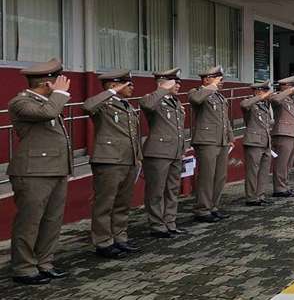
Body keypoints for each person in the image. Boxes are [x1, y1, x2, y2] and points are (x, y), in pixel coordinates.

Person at [8, 59, 73, 285]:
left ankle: (45, 263)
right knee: (30, 222)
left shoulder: (48, 102)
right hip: (32, 172)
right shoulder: (20, 102)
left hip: (55, 169)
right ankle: (24, 268)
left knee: (52, 220)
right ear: (47, 83)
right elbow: (47, 114)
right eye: (59, 82)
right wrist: (60, 94)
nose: (65, 86)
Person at [83, 70, 142, 258]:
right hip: (108, 160)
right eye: (128, 84)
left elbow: (133, 135)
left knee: (122, 203)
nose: (132, 87)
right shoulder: (103, 104)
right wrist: (110, 92)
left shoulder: (127, 106)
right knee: (105, 204)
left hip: (128, 160)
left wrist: (138, 157)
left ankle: (120, 237)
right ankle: (103, 242)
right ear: (114, 85)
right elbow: (87, 106)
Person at [141, 68, 185, 238]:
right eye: (174, 82)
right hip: (158, 152)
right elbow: (147, 105)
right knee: (156, 191)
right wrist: (162, 90)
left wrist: (182, 149)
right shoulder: (151, 98)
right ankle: (157, 225)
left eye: (179, 82)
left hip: (175, 152)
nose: (178, 85)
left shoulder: (176, 102)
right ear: (163, 83)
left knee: (172, 189)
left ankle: (170, 222)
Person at [188, 66, 233, 222]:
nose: (221, 82)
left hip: (222, 140)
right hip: (206, 140)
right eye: (217, 78)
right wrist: (212, 86)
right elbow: (196, 100)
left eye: (221, 79)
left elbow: (225, 119)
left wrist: (230, 136)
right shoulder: (196, 92)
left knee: (220, 176)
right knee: (206, 176)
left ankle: (213, 206)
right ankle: (202, 209)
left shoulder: (219, 97)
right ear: (207, 79)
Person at [240, 81, 274, 206]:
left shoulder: (265, 105)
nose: (268, 94)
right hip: (254, 141)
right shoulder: (249, 102)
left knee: (264, 171)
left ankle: (260, 195)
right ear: (258, 92)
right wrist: (260, 97)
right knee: (252, 171)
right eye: (265, 92)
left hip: (265, 142)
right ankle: (251, 197)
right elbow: (244, 105)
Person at [269, 75, 294, 197]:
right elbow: (275, 100)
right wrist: (288, 91)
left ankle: (285, 186)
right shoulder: (277, 96)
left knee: (288, 163)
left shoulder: (291, 100)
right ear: (288, 87)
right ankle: (279, 188)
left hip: (292, 134)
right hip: (283, 134)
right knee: (281, 163)